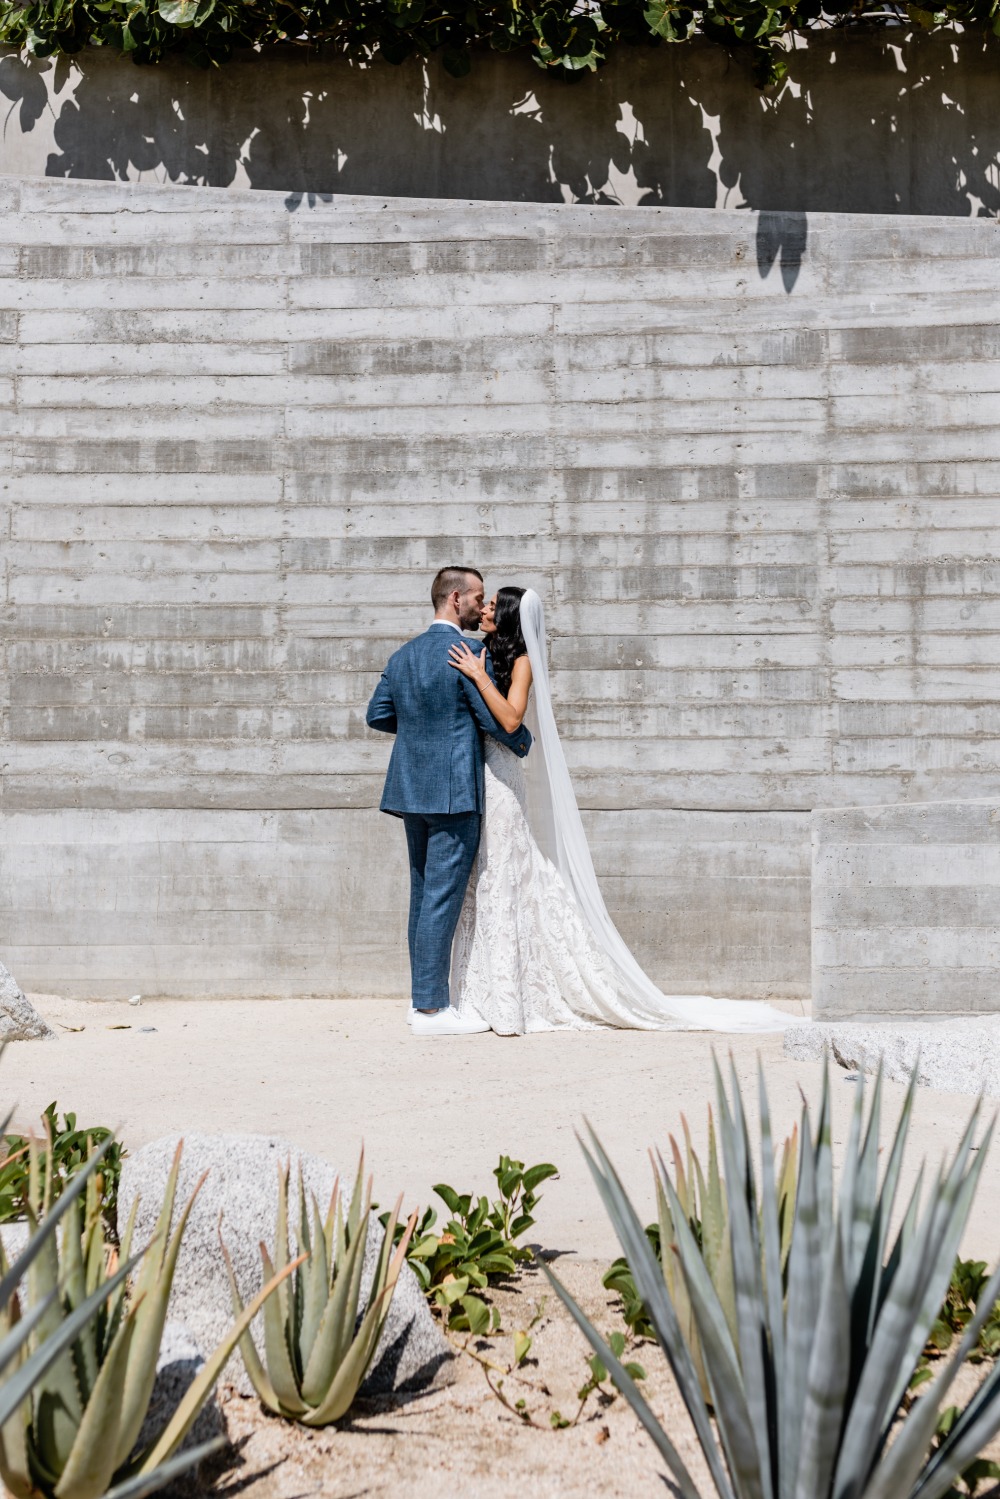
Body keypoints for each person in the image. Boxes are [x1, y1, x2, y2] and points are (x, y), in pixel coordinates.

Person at [447, 585, 794, 1034]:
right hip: (480, 773)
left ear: (510, 616)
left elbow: (512, 720)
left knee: (505, 873)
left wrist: (478, 677)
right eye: (486, 602)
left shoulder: (520, 662)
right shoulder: (484, 652)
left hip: (502, 779)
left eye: (495, 605)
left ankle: (514, 995)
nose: (487, 609)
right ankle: (486, 988)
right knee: (493, 875)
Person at [365, 566, 532, 1037]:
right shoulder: (469, 651)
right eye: (478, 597)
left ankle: (422, 1000)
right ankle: (431, 1010)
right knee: (441, 899)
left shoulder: (402, 656)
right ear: (454, 598)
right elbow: (500, 723)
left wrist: (422, 733)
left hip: (409, 790)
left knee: (422, 896)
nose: (482, 607)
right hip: (454, 791)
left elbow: (377, 715)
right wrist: (523, 744)